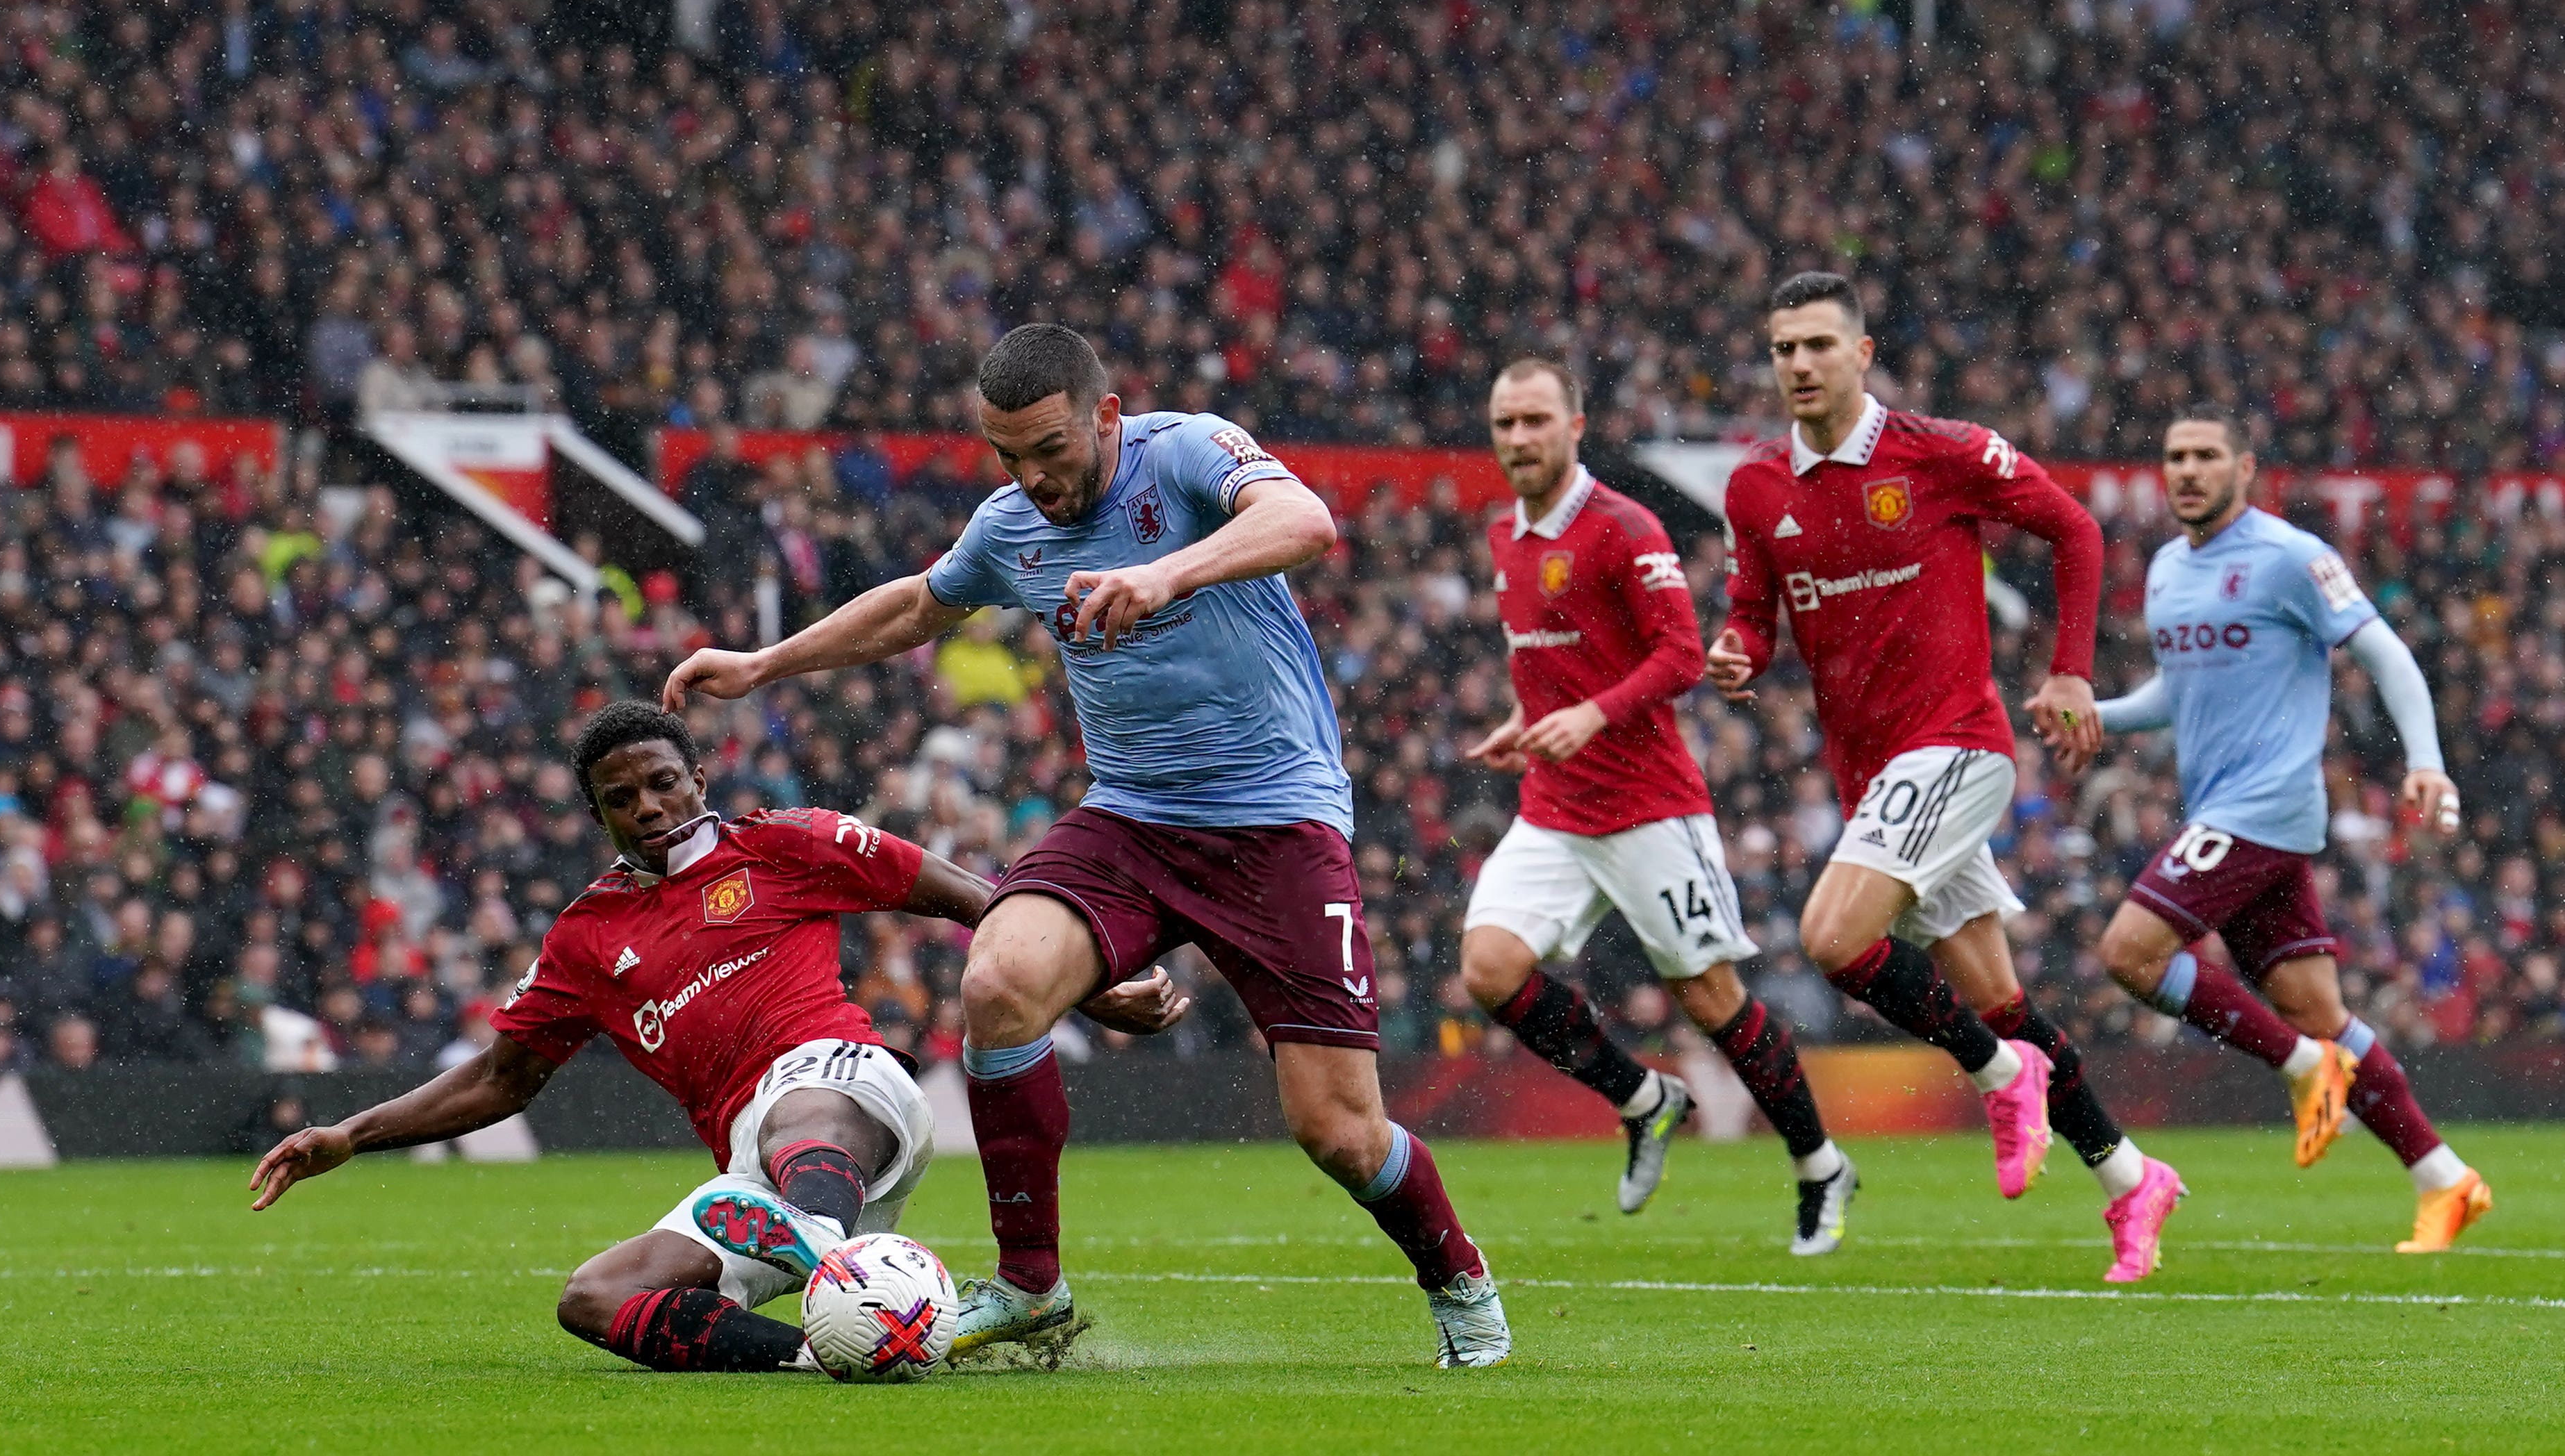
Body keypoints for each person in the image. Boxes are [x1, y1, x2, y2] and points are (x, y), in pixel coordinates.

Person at [666, 322, 1512, 1369]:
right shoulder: (1011, 522)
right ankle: (1031, 1286)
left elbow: (1305, 520)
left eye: (1051, 449)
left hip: (1274, 823)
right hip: (1130, 818)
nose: (1032, 477)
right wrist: (763, 664)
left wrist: (1169, 576)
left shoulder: (1188, 452)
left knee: (1338, 1130)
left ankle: (1457, 1279)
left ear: (1105, 416)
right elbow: (917, 607)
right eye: (1007, 455)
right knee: (999, 983)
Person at [247, 701, 1184, 1374]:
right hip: (751, 1167)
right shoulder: (584, 937)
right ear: (600, 814)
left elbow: (954, 892)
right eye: (624, 797)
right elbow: (500, 1079)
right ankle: (834, 1344)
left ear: (698, 778)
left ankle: (823, 1248)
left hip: (846, 1088)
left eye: (663, 782)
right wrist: (351, 1134)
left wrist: (1087, 980)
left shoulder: (785, 844)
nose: (649, 805)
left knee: (797, 1113)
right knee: (594, 1300)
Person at [1704, 272, 2184, 1283]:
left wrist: (2070, 666)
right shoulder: (1755, 487)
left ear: (1861, 353)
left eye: (1818, 346)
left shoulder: (1944, 452)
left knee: (1834, 940)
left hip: (1959, 744)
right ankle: (2130, 1175)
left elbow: (2076, 531)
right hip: (1873, 776)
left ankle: (2000, 1076)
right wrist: (1740, 650)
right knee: (1998, 996)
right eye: (1783, 347)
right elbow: (1756, 608)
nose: (1797, 364)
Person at [1460, 357, 1855, 1253]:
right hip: (1556, 807)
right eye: (1505, 423)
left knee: (1709, 999)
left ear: (1574, 425)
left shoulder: (1623, 527)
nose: (1518, 439)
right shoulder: (1502, 535)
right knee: (1488, 968)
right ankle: (1644, 1101)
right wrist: (1525, 721)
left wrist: (1590, 715)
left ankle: (1820, 1162)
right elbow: (1559, 661)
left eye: (1534, 421)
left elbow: (1679, 656)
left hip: (1648, 806)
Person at [2075, 411, 2490, 1252]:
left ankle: (2305, 1069)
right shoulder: (2164, 570)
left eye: (2204, 457)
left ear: (2245, 467)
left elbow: (2384, 652)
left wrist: (2426, 759)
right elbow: (2174, 694)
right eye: (2174, 458)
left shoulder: (2291, 557)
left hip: (2263, 805)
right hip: (2229, 810)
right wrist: (2097, 717)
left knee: (2130, 953)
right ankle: (2444, 1178)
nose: (2186, 471)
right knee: (2316, 1008)